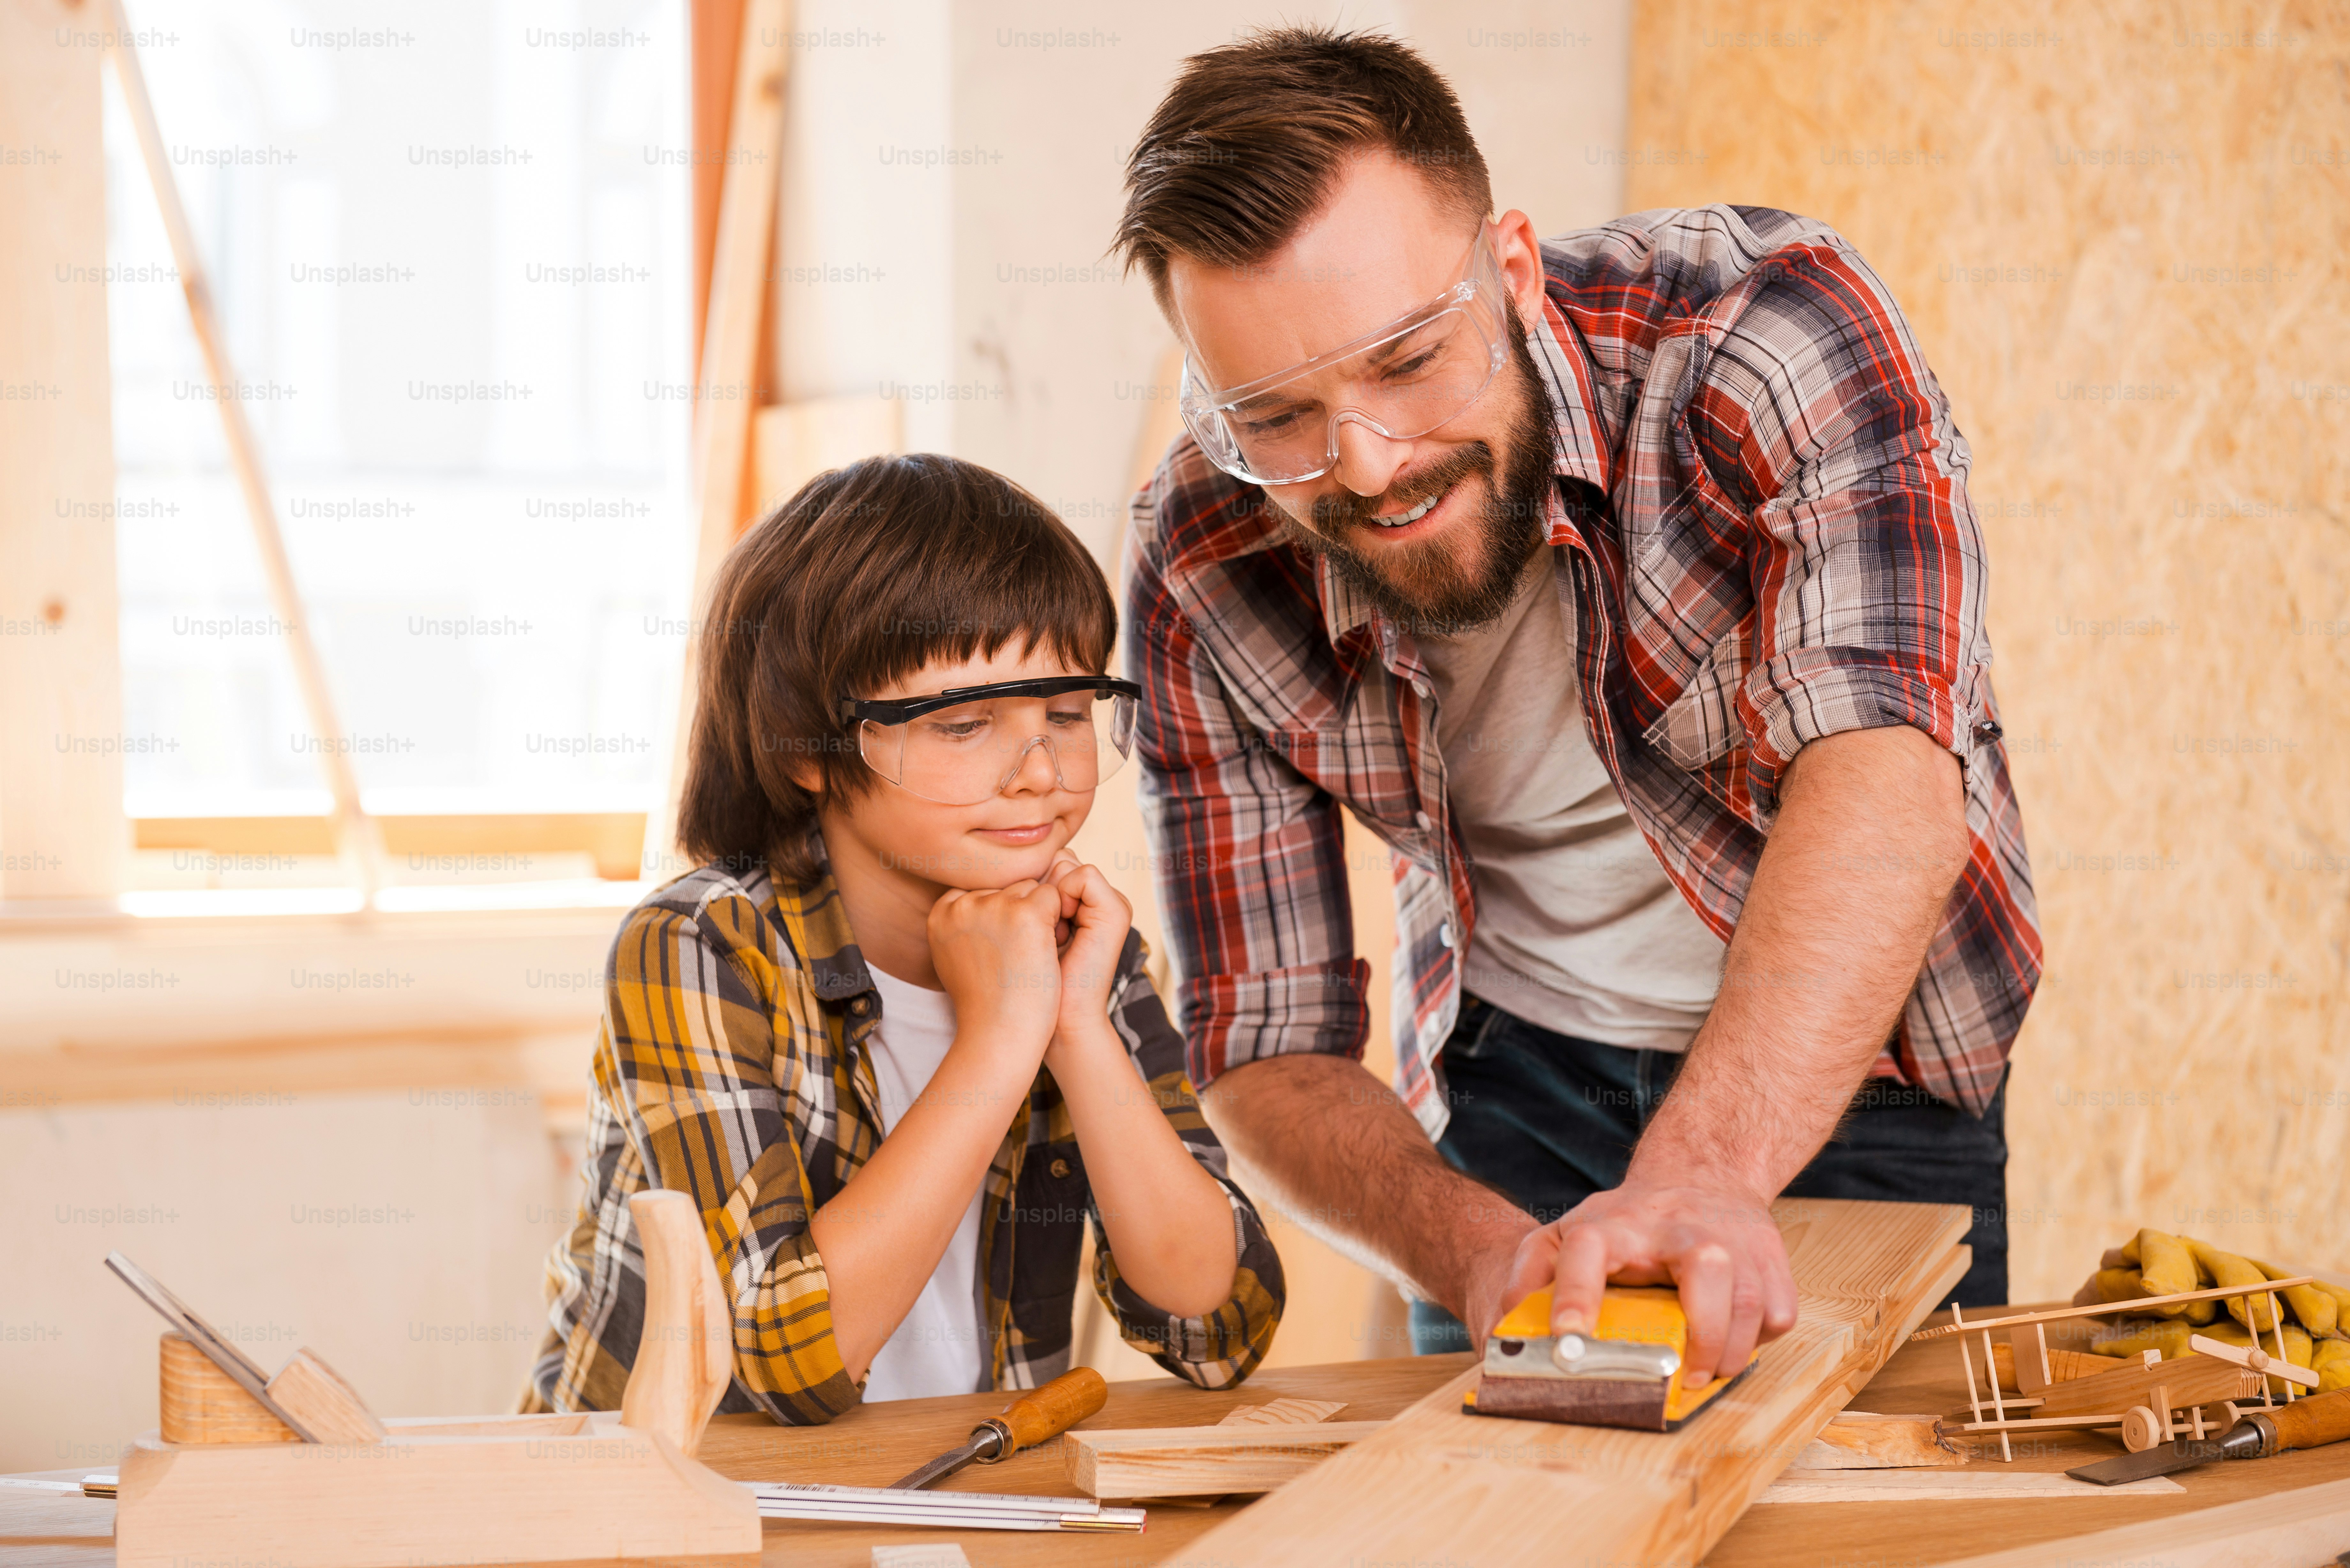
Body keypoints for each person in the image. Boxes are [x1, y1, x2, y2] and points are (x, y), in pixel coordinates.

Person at [1114, 27, 2041, 1387]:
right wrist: (1476, 1249)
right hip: (1513, 1099)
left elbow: (1888, 782)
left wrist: (1701, 1176)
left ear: (1511, 270)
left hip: (1868, 1065)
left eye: (1408, 362)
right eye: (1277, 416)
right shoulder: (1201, 550)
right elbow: (1264, 1043)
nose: (1368, 465)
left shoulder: (1765, 328)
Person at [526, 454, 1282, 1421]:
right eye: (965, 725)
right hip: (667, 1503)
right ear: (809, 747)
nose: (1043, 772)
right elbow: (787, 1367)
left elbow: (1221, 1330)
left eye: (1065, 712)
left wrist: (1076, 1030)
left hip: (949, 1489)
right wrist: (1002, 1038)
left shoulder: (1084, 945)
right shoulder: (703, 948)